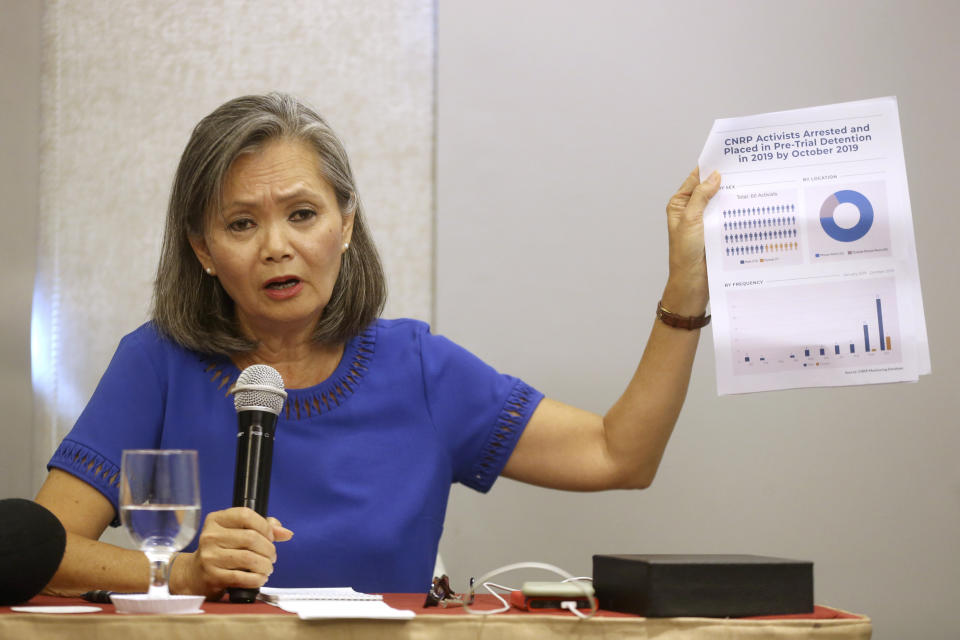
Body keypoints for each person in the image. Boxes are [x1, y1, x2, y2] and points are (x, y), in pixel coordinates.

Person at [34, 93, 720, 598]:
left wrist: (685, 291)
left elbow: (617, 454)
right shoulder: (158, 361)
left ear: (345, 224)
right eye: (241, 224)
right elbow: (41, 552)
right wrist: (179, 571)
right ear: (203, 250)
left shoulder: (418, 368)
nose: (278, 247)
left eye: (302, 214)